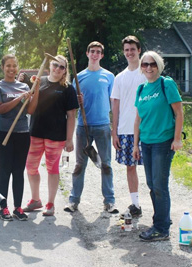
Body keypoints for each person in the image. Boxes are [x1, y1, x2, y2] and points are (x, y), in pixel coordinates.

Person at [132, 51, 183, 241]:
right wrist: (136, 145)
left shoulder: (166, 84)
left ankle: (161, 228)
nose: (148, 68)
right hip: (146, 143)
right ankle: (163, 221)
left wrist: (177, 139)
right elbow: (138, 120)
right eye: (144, 64)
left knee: (160, 185)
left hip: (163, 142)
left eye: (152, 64)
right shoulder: (141, 89)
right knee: (152, 184)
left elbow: (179, 113)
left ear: (158, 65)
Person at [64, 41, 118, 213]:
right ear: (87, 54)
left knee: (106, 164)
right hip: (83, 126)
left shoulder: (109, 76)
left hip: (102, 125)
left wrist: (115, 126)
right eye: (92, 51)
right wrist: (78, 101)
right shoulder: (79, 78)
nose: (95, 54)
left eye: (98, 52)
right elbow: (72, 104)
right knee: (80, 164)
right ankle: (74, 200)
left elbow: (113, 101)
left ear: (102, 55)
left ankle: (109, 201)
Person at [22, 55, 78, 216]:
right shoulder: (40, 81)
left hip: (56, 136)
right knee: (31, 167)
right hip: (35, 132)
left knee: (52, 169)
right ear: (50, 65)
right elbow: (30, 104)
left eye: (61, 67)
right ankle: (35, 200)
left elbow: (71, 116)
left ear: (65, 71)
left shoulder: (68, 89)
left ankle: (51, 203)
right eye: (55, 65)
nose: (57, 69)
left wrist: (69, 139)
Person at [0, 54, 39, 221]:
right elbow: (1, 109)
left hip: (22, 133)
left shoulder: (25, 86)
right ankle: (3, 207)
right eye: (8, 66)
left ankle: (18, 208)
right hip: (4, 133)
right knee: (5, 171)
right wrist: (19, 98)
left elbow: (30, 110)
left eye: (14, 66)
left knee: (18, 171)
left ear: (17, 67)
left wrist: (36, 90)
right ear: (3, 67)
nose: (11, 69)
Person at [110, 36, 146, 219]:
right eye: (126, 50)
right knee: (130, 167)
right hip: (125, 129)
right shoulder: (119, 78)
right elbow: (115, 106)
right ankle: (136, 204)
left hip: (146, 129)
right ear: (124, 52)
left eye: (133, 49)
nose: (130, 52)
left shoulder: (147, 73)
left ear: (139, 50)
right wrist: (114, 132)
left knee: (151, 168)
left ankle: (159, 207)